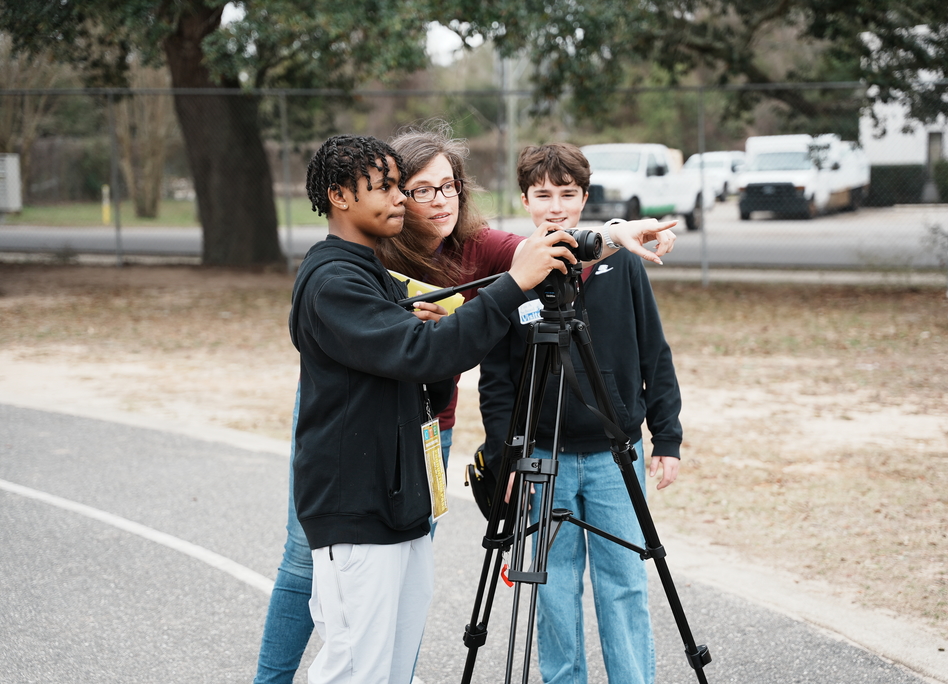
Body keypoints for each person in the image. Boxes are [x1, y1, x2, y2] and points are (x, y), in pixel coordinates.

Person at [253, 122, 678, 684]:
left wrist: (618, 231)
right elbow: (419, 347)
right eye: (417, 188)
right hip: (354, 441)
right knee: (312, 566)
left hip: (424, 423)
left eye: (448, 185)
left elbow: (549, 244)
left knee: (401, 587)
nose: (434, 199)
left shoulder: (475, 247)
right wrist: (433, 320)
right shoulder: (360, 259)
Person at [288, 134, 576, 684]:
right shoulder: (333, 280)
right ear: (339, 196)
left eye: (403, 186)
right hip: (356, 508)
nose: (402, 199)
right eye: (386, 187)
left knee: (395, 669)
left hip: (401, 504)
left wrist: (434, 343)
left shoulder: (371, 272)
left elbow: (426, 373)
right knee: (356, 669)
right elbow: (422, 353)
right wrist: (514, 285)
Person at [478, 142, 683, 684]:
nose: (555, 206)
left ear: (584, 198)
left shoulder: (622, 267)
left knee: (624, 583)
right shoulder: (516, 273)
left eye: (567, 195)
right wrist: (506, 459)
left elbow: (653, 353)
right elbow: (497, 381)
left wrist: (666, 438)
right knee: (552, 586)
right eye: (542, 194)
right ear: (524, 199)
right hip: (544, 456)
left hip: (617, 455)